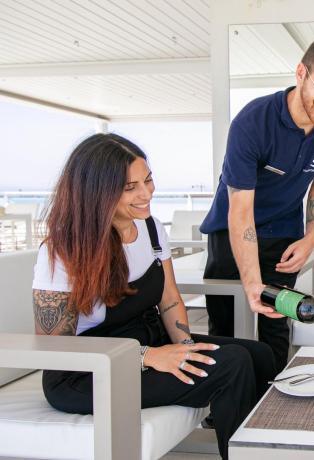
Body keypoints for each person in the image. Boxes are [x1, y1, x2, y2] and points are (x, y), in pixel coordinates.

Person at [32, 133, 275, 459]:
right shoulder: (63, 250)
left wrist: (187, 348)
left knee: (260, 354)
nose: (147, 193)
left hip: (150, 343)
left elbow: (170, 298)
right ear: (96, 193)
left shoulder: (150, 228)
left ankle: (259, 447)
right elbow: (54, 350)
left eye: (148, 180)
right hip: (87, 373)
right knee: (231, 365)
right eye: (130, 187)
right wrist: (146, 356)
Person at [199, 35, 314, 370]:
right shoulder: (252, 122)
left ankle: (271, 402)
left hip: (284, 233)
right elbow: (240, 210)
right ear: (301, 73)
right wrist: (253, 282)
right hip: (231, 233)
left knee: (276, 324)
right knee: (226, 327)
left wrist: (310, 238)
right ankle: (224, 408)